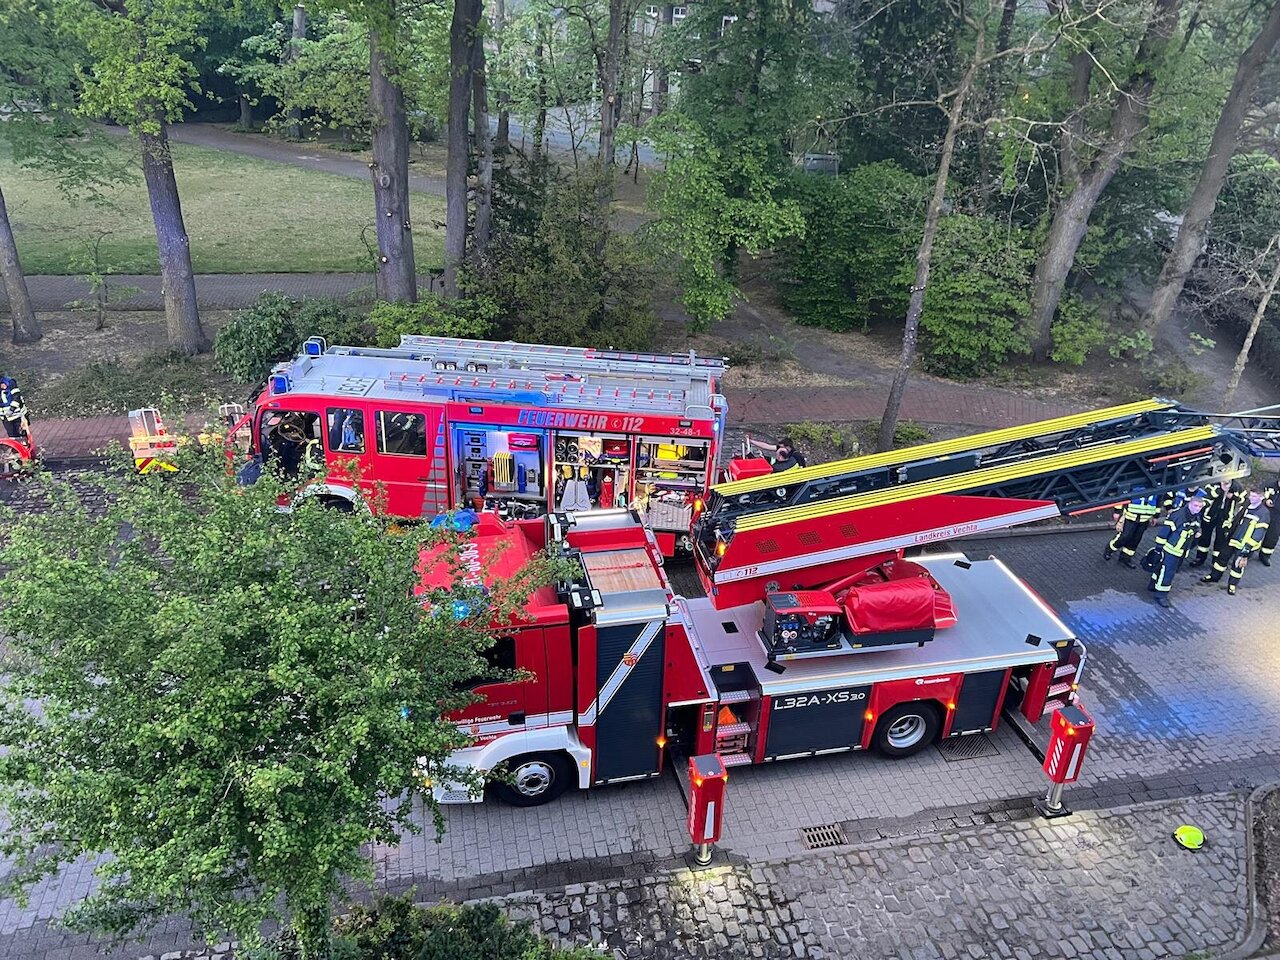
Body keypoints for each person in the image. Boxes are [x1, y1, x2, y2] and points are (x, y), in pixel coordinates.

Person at [1201, 489, 1271, 595]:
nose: (1251, 498)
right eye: (1251, 496)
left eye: (1255, 497)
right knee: (1221, 558)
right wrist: (1228, 529)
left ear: (1261, 498)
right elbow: (1237, 519)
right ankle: (1214, 576)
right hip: (1233, 538)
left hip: (1245, 544)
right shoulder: (1247, 505)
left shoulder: (1264, 513)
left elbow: (1259, 533)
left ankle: (1232, 585)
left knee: (1238, 565)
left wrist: (1247, 548)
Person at [1148, 489, 1206, 609]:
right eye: (1195, 505)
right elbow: (1164, 533)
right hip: (1171, 550)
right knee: (1168, 572)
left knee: (1161, 568)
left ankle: (1153, 584)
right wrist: (1159, 549)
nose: (1197, 508)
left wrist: (1197, 533)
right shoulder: (1177, 516)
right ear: (1189, 504)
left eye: (1200, 506)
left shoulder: (1195, 516)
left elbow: (1195, 528)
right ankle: (1161, 595)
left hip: (1181, 550)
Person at [1190, 479, 1242, 568]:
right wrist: (1221, 489)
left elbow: (1243, 499)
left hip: (1225, 517)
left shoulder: (1237, 486)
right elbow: (1207, 496)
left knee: (1220, 540)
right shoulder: (1213, 483)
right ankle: (1200, 558)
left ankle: (1216, 561)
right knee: (1204, 538)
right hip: (1210, 515)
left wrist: (1233, 496)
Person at [1103, 493, 1161, 568]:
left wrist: (1156, 516)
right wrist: (1117, 511)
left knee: (1135, 540)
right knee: (1125, 536)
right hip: (1130, 516)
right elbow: (1122, 496)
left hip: (1145, 519)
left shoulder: (1157, 484)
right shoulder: (1135, 484)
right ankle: (1110, 549)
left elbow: (1158, 500)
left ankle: (1125, 558)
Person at [0, 376, 29, 441]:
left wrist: (12, 409)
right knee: (12, 437)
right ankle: (17, 449)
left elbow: (16, 396)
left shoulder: (10, 382)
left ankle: (27, 449)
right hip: (5, 418)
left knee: (22, 436)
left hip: (18, 415)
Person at [1260, 483, 1279, 566]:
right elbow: (1259, 495)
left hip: (1278, 517)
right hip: (1265, 513)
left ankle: (1265, 555)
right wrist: (1265, 500)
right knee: (1257, 533)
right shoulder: (1270, 485)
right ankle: (1248, 552)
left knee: (1272, 537)